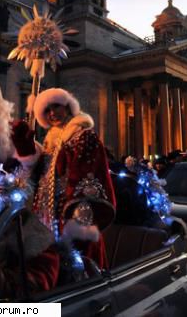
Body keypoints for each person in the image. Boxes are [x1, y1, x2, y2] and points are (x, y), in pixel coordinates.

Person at [30, 88, 116, 269]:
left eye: (56, 106)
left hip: (70, 217)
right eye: (47, 110)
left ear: (68, 107)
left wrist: (79, 219)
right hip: (46, 218)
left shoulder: (83, 136)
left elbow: (87, 176)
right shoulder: (50, 141)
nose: (52, 113)